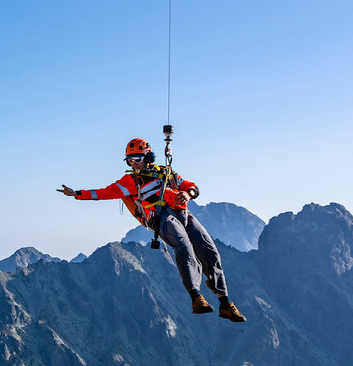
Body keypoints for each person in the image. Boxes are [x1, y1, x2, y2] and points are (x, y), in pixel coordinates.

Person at [59, 138, 246, 323]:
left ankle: (225, 302)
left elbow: (192, 187)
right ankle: (196, 296)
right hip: (160, 217)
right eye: (129, 160)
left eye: (137, 159)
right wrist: (77, 194)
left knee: (209, 250)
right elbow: (105, 192)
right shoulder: (130, 181)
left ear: (148, 156)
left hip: (182, 212)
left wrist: (187, 194)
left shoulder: (167, 172)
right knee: (184, 245)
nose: (133, 164)